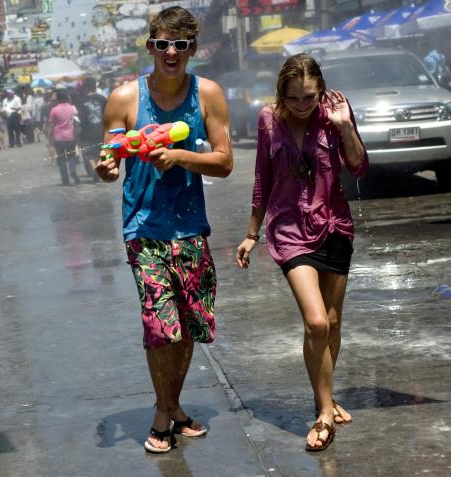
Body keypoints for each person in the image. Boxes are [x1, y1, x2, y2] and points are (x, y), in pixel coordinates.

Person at [94, 6, 233, 453]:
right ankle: (161, 411)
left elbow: (224, 160)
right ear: (149, 46)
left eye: (180, 45)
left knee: (188, 325)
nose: (170, 52)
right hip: (143, 227)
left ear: (192, 48)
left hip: (190, 226)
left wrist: (180, 157)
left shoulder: (207, 94)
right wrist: (107, 167)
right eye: (162, 44)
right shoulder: (123, 99)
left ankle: (173, 405)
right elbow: (110, 161)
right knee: (161, 325)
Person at [235, 53, 368, 452]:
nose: (302, 106)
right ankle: (324, 415)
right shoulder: (267, 120)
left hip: (334, 228)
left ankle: (323, 396)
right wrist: (251, 234)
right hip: (290, 230)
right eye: (293, 98)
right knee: (315, 322)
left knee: (332, 320)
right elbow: (263, 176)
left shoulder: (335, 114)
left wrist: (344, 127)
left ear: (320, 91)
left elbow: (359, 166)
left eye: (309, 97)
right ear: (282, 93)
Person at [46, 89, 81, 186]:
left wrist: (49, 137)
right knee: (71, 156)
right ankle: (73, 171)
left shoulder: (54, 110)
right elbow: (76, 120)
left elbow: (51, 125)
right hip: (71, 136)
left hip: (58, 137)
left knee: (61, 158)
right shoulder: (72, 108)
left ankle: (65, 180)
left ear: (57, 98)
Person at [76, 77, 107, 182]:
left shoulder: (81, 101)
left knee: (88, 154)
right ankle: (101, 169)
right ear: (95, 86)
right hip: (102, 130)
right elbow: (109, 114)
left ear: (85, 87)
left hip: (87, 131)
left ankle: (95, 170)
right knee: (101, 152)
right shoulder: (103, 99)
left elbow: (80, 118)